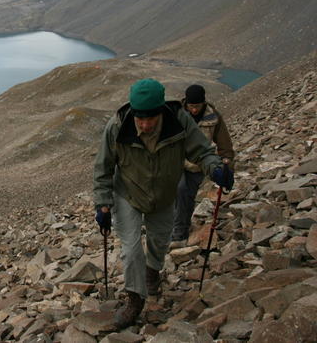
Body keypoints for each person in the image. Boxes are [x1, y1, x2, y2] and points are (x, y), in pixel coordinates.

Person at [92, 78, 233, 329]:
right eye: (140, 119)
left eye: (151, 119)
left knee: (159, 242)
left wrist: (216, 169)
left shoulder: (179, 121)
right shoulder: (117, 127)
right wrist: (102, 204)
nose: (145, 125)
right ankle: (135, 300)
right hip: (128, 194)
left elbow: (202, 151)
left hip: (164, 195)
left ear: (160, 112)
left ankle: (152, 272)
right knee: (131, 248)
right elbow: (103, 167)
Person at [171, 84, 235, 244]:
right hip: (175, 162)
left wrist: (227, 169)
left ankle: (181, 229)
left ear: (203, 103)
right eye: (191, 106)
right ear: (186, 104)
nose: (194, 110)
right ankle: (176, 229)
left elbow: (225, 145)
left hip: (198, 164)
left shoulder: (213, 117)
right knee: (179, 191)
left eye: (197, 106)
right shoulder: (176, 115)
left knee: (187, 194)